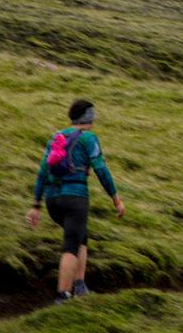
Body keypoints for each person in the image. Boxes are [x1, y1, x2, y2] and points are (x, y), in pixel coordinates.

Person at [27, 99, 126, 301]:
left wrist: (36, 205)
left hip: (52, 199)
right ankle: (62, 295)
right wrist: (115, 198)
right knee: (71, 245)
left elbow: (42, 173)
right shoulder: (89, 138)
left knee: (81, 236)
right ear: (89, 118)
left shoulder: (56, 137)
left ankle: (80, 286)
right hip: (75, 198)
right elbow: (101, 170)